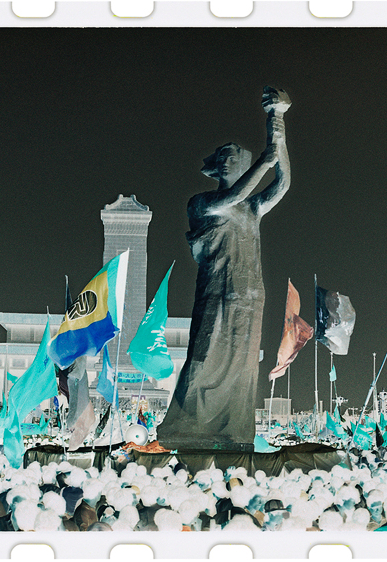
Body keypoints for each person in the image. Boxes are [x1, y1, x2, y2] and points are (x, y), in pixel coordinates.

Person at [157, 87, 291, 451]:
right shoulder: (201, 202)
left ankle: (233, 427)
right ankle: (188, 423)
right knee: (206, 356)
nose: (231, 162)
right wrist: (263, 161)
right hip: (217, 289)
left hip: (249, 292)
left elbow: (282, 184)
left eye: (236, 158)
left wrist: (278, 124)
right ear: (216, 165)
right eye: (226, 158)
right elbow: (232, 196)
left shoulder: (252, 209)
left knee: (243, 363)